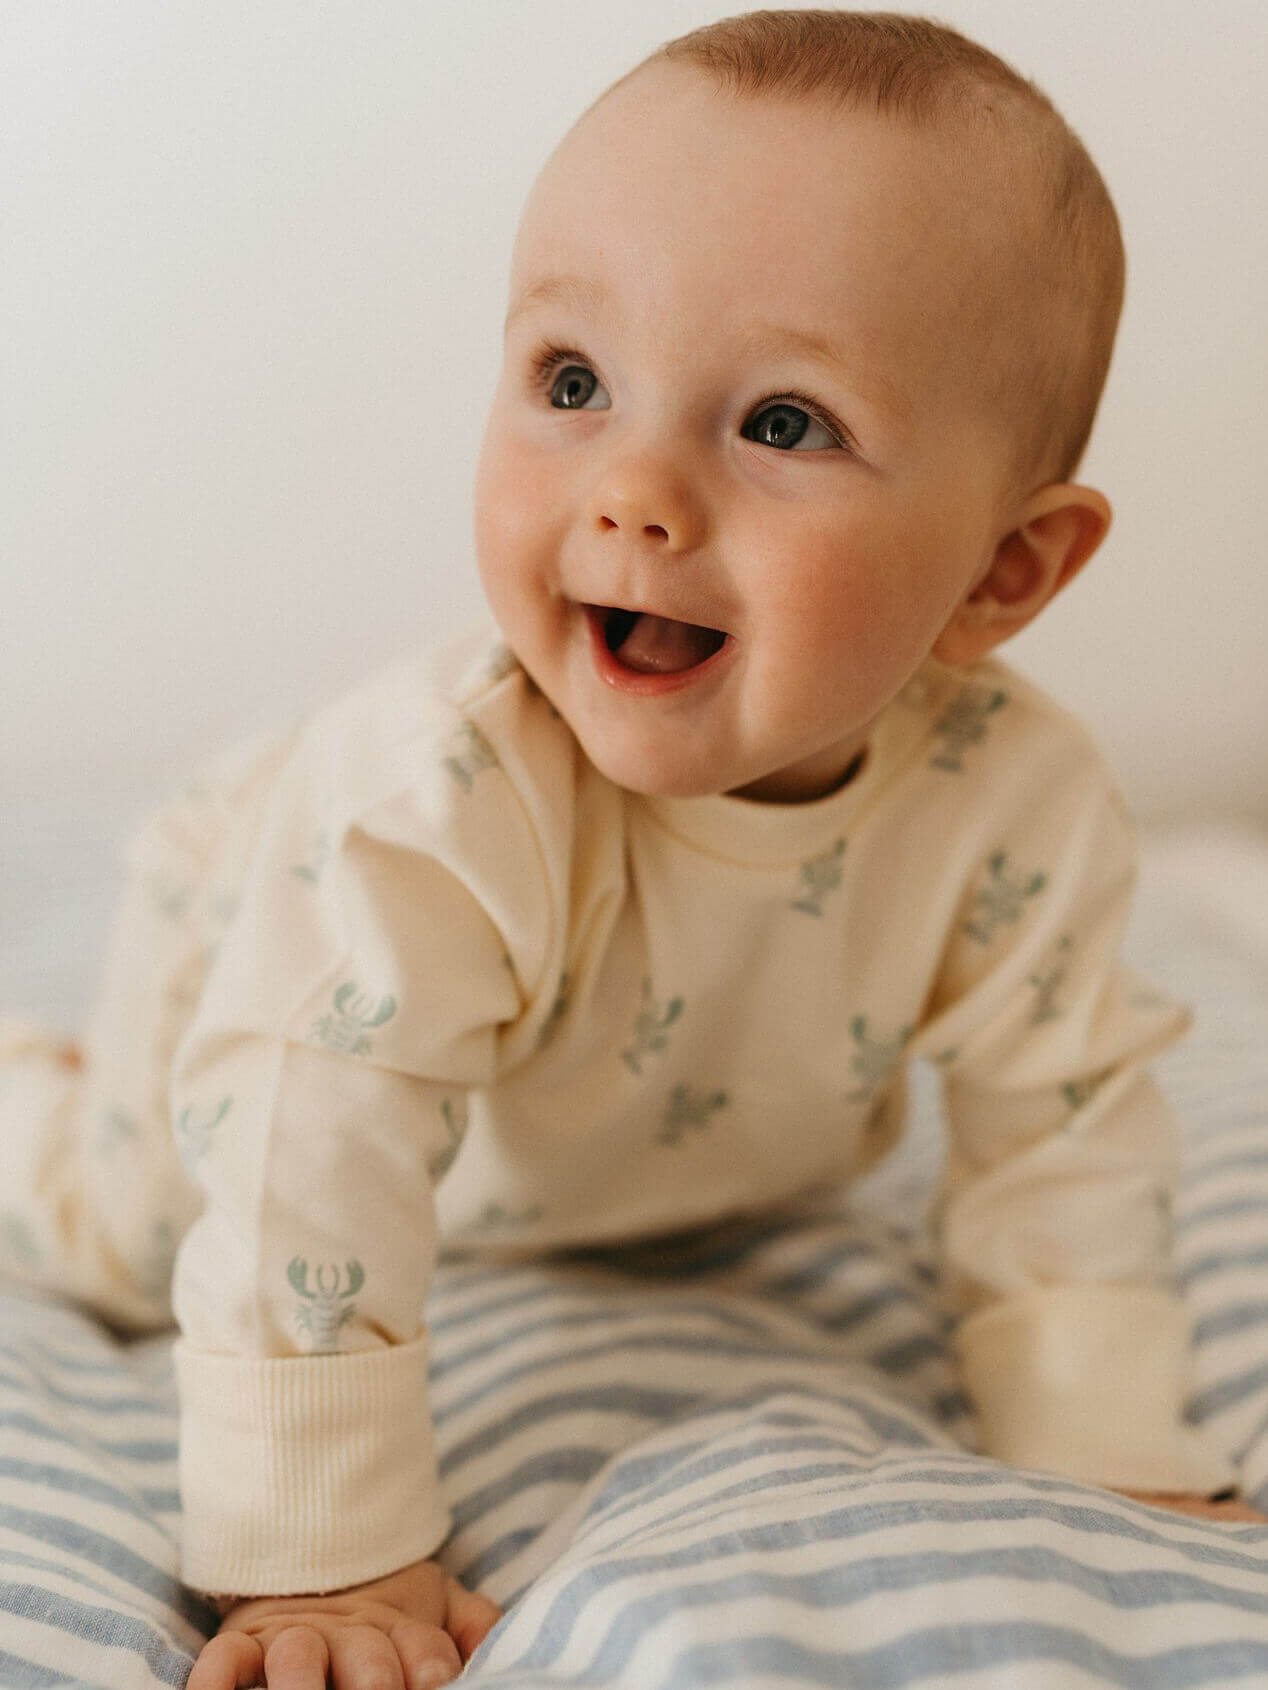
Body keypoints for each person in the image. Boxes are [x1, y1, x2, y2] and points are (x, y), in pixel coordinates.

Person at [2, 11, 1260, 1689]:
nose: (637, 490)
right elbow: (308, 1148)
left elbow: (1067, 1131)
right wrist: (328, 1559)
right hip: (253, 976)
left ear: (1002, 573)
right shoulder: (441, 804)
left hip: (650, 1156)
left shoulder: (1017, 808)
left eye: (785, 424)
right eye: (573, 383)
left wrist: (1105, 1443)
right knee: (117, 1221)